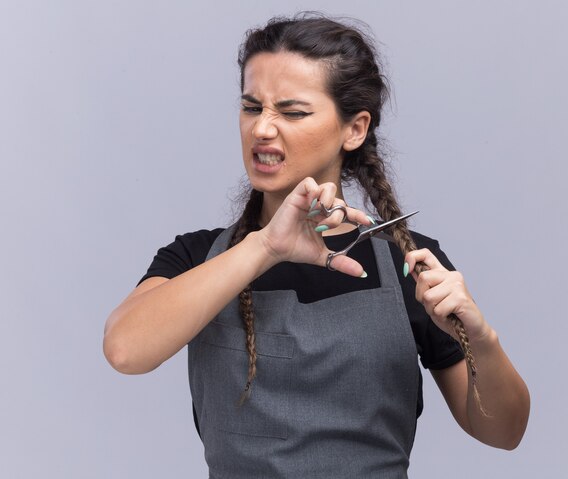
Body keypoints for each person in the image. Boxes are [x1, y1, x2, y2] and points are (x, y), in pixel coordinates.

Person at [103, 13, 530, 478]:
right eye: (251, 107)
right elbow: (126, 350)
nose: (263, 129)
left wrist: (482, 340)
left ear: (355, 129)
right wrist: (265, 247)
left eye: (292, 112)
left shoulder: (409, 264)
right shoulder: (195, 257)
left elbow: (503, 432)